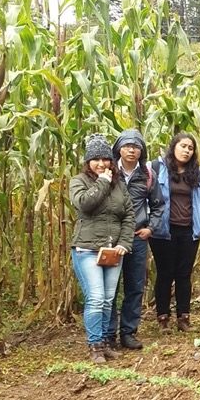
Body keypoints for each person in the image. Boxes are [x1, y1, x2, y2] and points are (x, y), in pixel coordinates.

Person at [69, 134, 135, 363]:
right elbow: (85, 204)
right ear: (88, 162)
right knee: (96, 298)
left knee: (108, 299)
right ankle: (95, 346)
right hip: (86, 249)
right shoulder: (79, 181)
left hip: (112, 251)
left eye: (105, 159)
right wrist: (103, 182)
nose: (101, 164)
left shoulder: (119, 186)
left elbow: (128, 216)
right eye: (95, 159)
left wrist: (124, 244)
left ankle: (105, 344)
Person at [105, 129, 163, 350]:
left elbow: (158, 205)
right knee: (110, 287)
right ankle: (109, 334)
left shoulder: (147, 176)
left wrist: (150, 228)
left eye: (136, 146)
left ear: (142, 151)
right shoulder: (109, 173)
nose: (132, 150)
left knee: (135, 287)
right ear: (119, 148)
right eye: (127, 145)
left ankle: (128, 332)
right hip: (111, 239)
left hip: (137, 239)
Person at [149, 133, 200, 332]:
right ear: (173, 147)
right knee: (165, 274)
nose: (186, 150)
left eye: (190, 148)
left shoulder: (196, 172)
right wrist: (151, 222)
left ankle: (184, 318)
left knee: (184, 274)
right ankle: (163, 319)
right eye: (183, 146)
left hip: (188, 230)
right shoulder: (157, 169)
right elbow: (145, 197)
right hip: (162, 231)